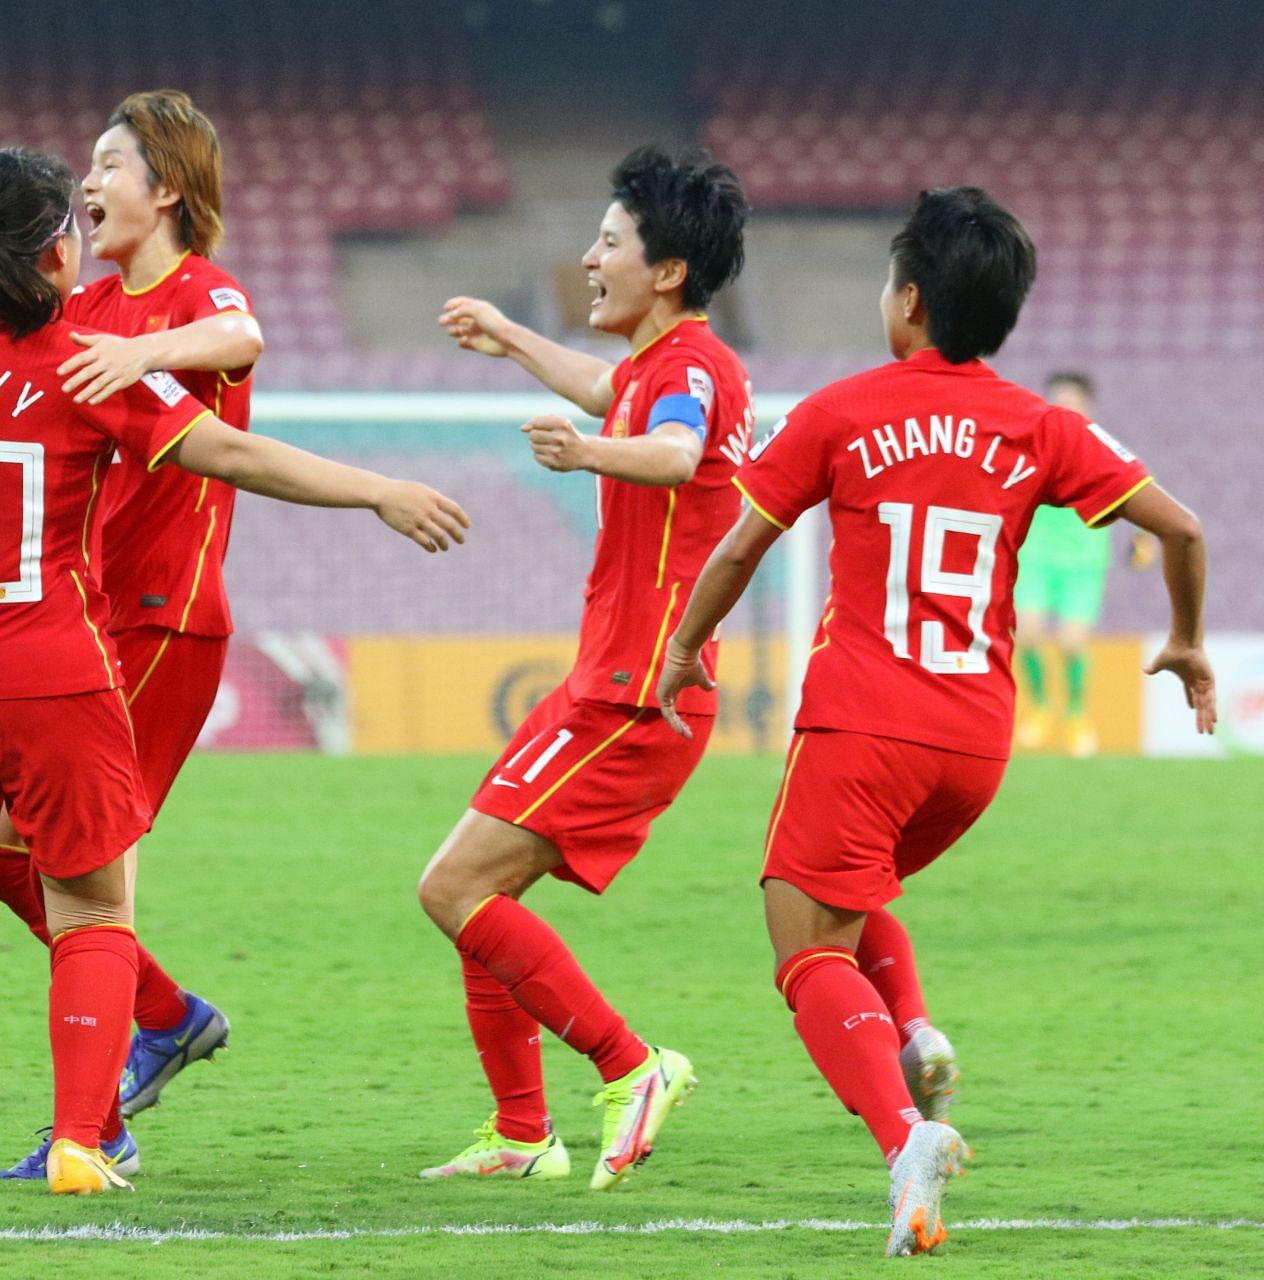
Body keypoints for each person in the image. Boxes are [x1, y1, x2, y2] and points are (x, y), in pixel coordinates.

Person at [0, 145, 468, 1196]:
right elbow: (235, 454)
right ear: (51, 253)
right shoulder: (90, 360)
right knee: (90, 907)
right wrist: (375, 490)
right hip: (51, 663)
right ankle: (85, 1140)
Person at [656, 187, 1215, 1255]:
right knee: (850, 893)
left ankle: (904, 1133)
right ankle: (913, 1026)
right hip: (974, 744)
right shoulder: (1043, 425)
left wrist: (683, 648)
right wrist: (1185, 639)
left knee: (802, 940)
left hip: (864, 725)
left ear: (908, 299)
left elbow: (738, 546)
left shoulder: (843, 407)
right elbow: (1180, 527)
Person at [0, 90, 262, 1179]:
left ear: (165, 187)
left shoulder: (184, 293)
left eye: (108, 165)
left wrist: (135, 351)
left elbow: (240, 334)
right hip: (79, 613)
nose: (88, 184)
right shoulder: (100, 311)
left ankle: (103, 1114)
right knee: (11, 859)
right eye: (80, 172)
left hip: (157, 610)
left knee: (88, 878)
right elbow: (24, 375)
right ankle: (159, 1020)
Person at [415, 145, 751, 1187]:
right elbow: (611, 388)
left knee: (456, 887)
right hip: (605, 678)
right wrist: (513, 337)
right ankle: (522, 1132)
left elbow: (674, 452)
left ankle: (633, 1064)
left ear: (668, 272)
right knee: (481, 896)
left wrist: (583, 450)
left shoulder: (691, 370)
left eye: (608, 243)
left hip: (635, 690)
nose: (588, 258)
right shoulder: (658, 365)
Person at [1014, 371, 1153, 756]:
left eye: (1071, 401)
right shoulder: (1030, 448)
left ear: (1087, 407)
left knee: (1072, 643)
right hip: (1037, 558)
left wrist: (1142, 540)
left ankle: (1076, 714)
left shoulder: (1104, 451)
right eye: (1056, 400)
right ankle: (1041, 709)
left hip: (1084, 563)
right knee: (1026, 634)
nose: (1063, 408)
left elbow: (1136, 494)